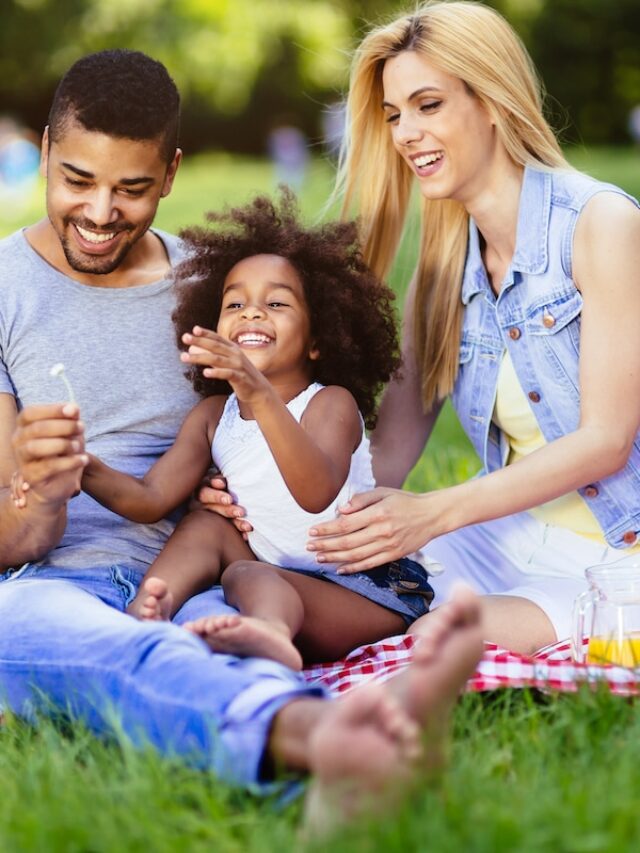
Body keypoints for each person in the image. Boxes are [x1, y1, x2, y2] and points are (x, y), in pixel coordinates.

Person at [0, 48, 483, 827]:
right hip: (61, 585)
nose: (98, 213)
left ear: (171, 173)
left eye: (130, 189)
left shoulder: (220, 290)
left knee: (219, 646)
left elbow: (302, 431)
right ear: (45, 153)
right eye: (77, 180)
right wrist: (40, 485)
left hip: (213, 579)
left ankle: (327, 754)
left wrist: (232, 493)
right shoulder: (3, 292)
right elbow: (10, 536)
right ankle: (328, 740)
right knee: (39, 632)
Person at [197, 1, 640, 656]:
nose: (405, 134)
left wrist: (436, 513)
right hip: (513, 538)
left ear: (492, 100)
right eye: (395, 114)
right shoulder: (443, 271)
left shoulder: (600, 223)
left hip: (622, 549)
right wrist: (260, 487)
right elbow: (383, 465)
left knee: (434, 633)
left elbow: (605, 441)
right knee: (327, 582)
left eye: (427, 105)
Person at [78, 191, 434, 671]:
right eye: (235, 303)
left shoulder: (330, 404)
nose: (251, 312)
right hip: (281, 575)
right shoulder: (212, 417)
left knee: (248, 572)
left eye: (277, 303)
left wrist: (258, 391)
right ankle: (147, 611)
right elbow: (150, 498)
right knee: (206, 524)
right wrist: (83, 468)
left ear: (317, 339)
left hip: (364, 592)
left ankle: (270, 635)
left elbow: (315, 490)